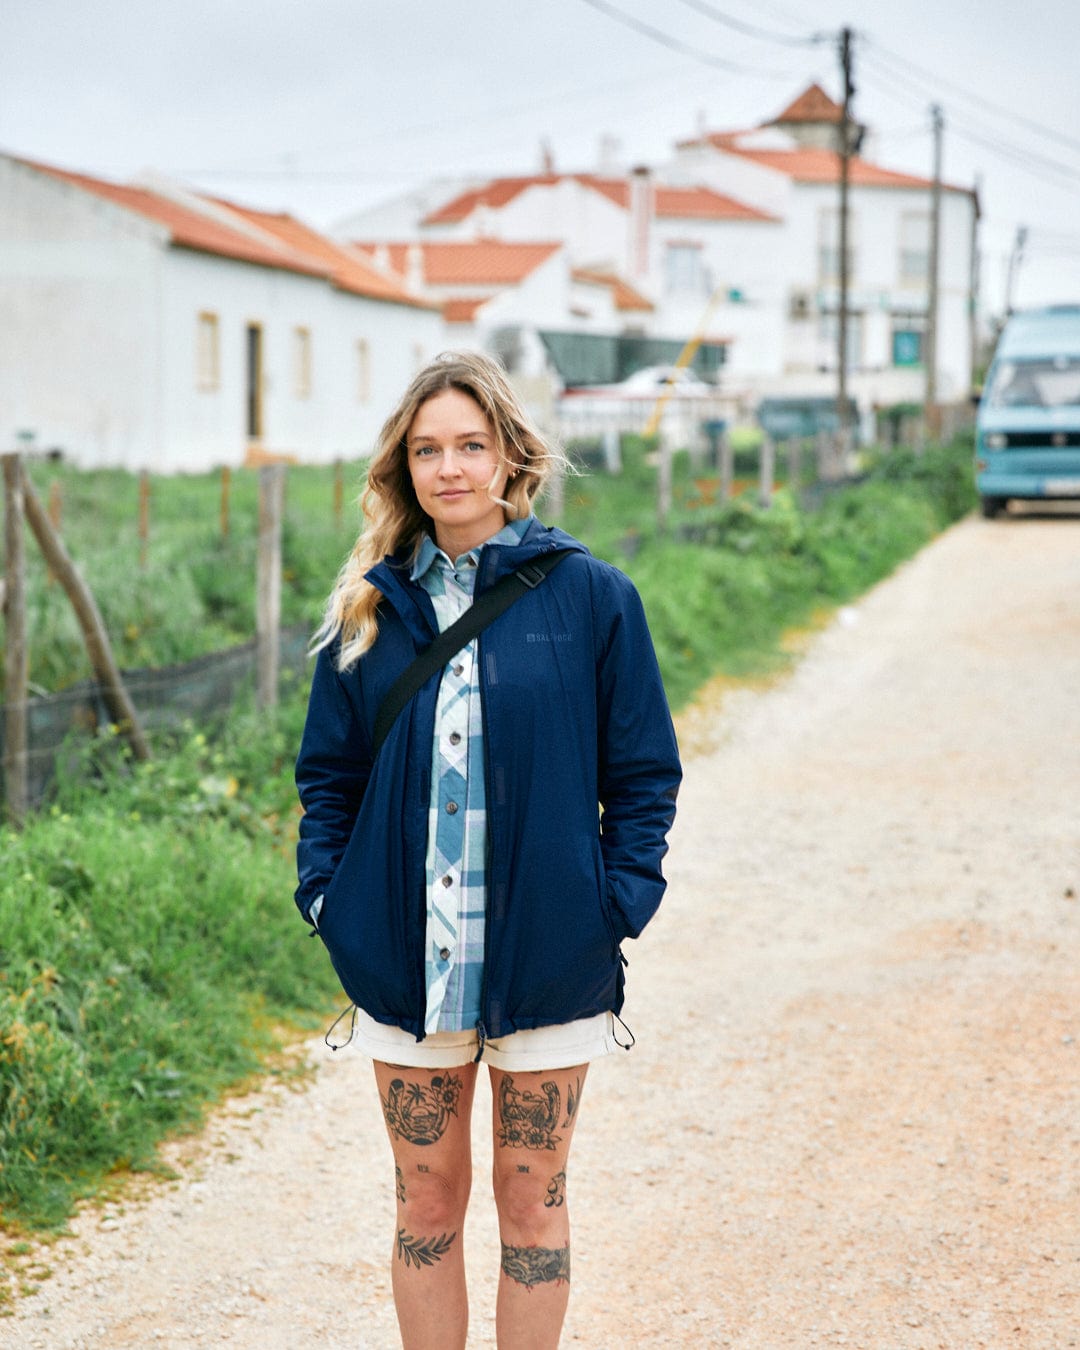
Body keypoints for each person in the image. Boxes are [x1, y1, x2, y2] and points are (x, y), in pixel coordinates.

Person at [294, 350, 681, 1349]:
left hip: (551, 960)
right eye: (428, 449)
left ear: (514, 456)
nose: (450, 468)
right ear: (403, 467)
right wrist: (328, 903)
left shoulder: (592, 598)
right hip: (403, 965)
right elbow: (327, 782)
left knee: (532, 1208)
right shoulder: (369, 613)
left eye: (471, 444)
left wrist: (615, 905)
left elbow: (642, 776)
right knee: (425, 1211)